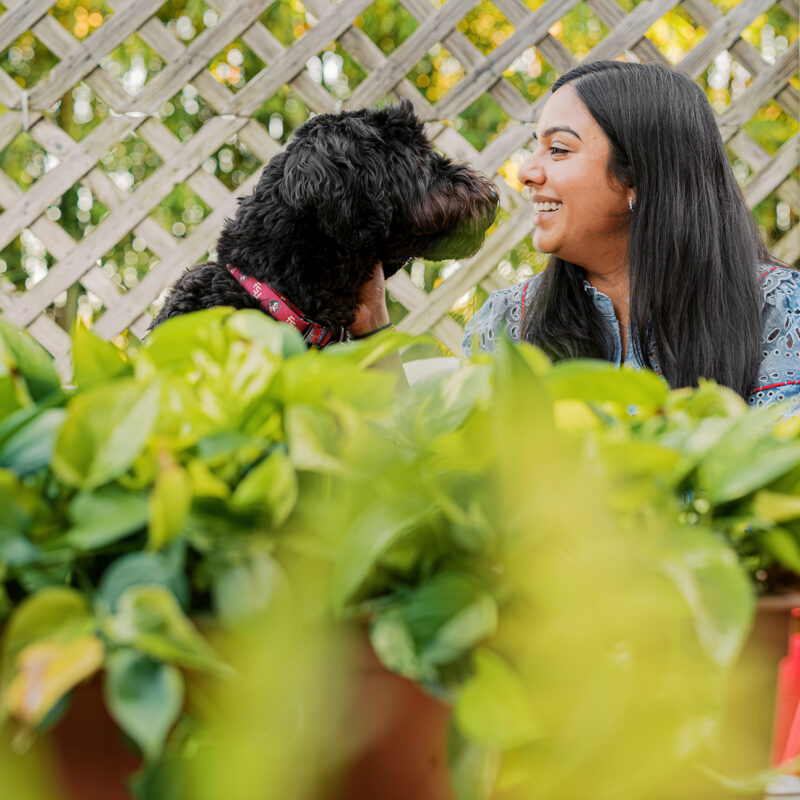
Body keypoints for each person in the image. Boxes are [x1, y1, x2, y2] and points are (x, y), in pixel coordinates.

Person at [457, 60, 799, 413]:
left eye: (557, 149)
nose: (526, 172)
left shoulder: (781, 312)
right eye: (536, 148)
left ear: (637, 177)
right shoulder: (505, 322)